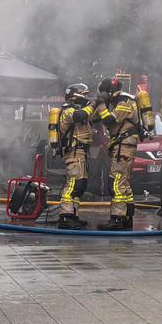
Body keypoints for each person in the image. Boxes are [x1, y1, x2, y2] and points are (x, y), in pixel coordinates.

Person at [94, 77, 148, 230]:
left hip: (123, 148)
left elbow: (111, 120)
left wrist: (101, 106)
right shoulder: (120, 101)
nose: (103, 96)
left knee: (116, 183)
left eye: (104, 93)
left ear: (110, 91)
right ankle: (127, 217)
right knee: (124, 184)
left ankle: (116, 219)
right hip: (123, 147)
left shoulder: (124, 101)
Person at [53, 83, 94, 229]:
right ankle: (65, 216)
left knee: (80, 186)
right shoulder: (68, 111)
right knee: (73, 184)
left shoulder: (80, 110)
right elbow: (79, 116)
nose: (87, 97)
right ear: (77, 96)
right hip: (73, 152)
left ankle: (73, 215)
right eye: (85, 94)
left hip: (81, 153)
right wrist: (93, 105)